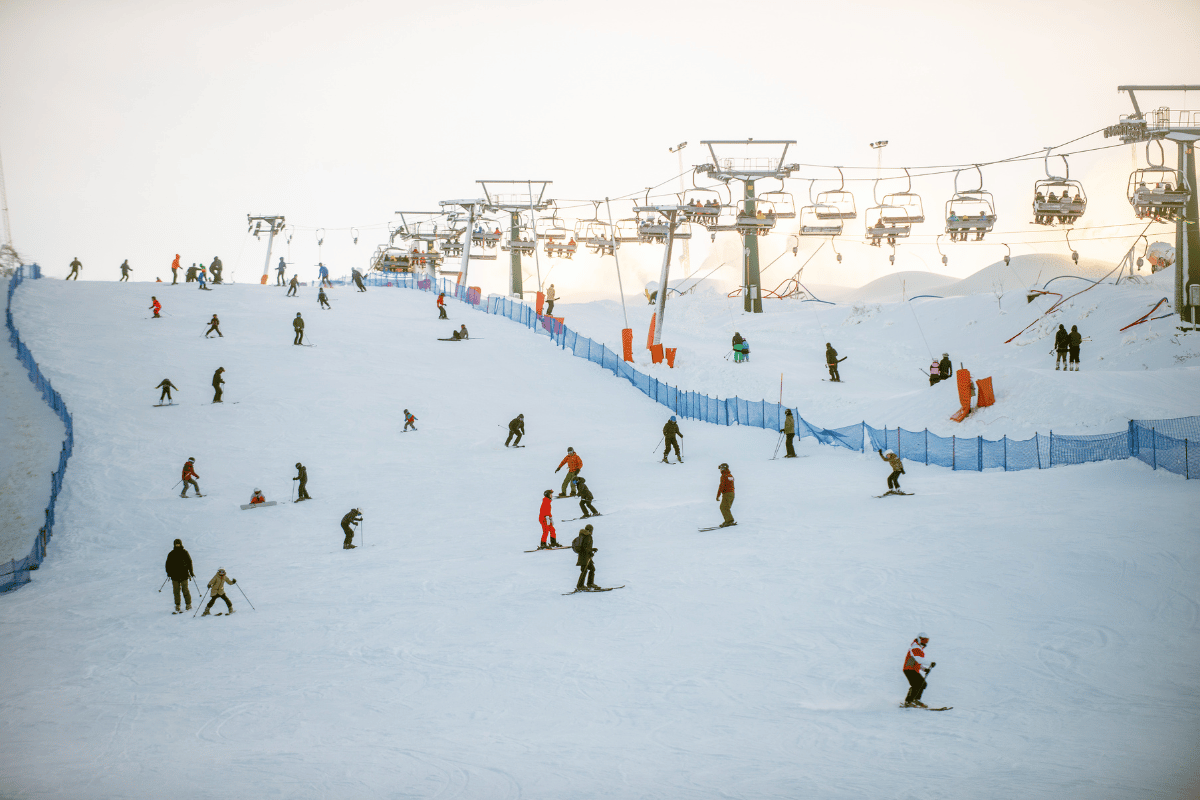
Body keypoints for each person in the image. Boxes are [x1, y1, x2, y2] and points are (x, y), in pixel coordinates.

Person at [902, 634, 935, 708]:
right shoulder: (915, 647)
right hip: (909, 669)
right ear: (919, 639)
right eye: (923, 640)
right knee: (916, 685)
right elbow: (919, 659)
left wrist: (924, 669)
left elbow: (916, 662)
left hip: (912, 669)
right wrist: (930, 663)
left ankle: (915, 700)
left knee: (922, 684)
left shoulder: (918, 648)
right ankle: (909, 701)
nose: (925, 642)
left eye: (926, 641)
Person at [164, 538, 195, 613]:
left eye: (178, 544)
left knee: (185, 590)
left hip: (184, 575)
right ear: (174, 545)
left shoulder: (185, 552)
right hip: (174, 576)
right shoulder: (171, 554)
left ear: (181, 544)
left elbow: (189, 562)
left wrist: (191, 572)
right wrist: (169, 573)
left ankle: (188, 604)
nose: (177, 545)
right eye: (176, 544)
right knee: (176, 591)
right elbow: (167, 564)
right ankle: (177, 605)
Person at [574, 524, 598, 591]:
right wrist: (590, 552)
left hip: (585, 556)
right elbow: (585, 547)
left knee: (591, 569)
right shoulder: (587, 536)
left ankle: (589, 583)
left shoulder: (584, 535)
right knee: (584, 570)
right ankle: (580, 585)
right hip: (584, 557)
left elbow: (585, 547)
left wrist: (592, 549)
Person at [716, 463, 736, 527]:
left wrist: (718, 495)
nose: (720, 470)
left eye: (720, 469)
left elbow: (721, 486)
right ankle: (729, 520)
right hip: (732, 494)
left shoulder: (724, 476)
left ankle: (729, 521)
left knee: (723, 507)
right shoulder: (730, 476)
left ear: (723, 468)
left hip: (727, 494)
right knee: (726, 508)